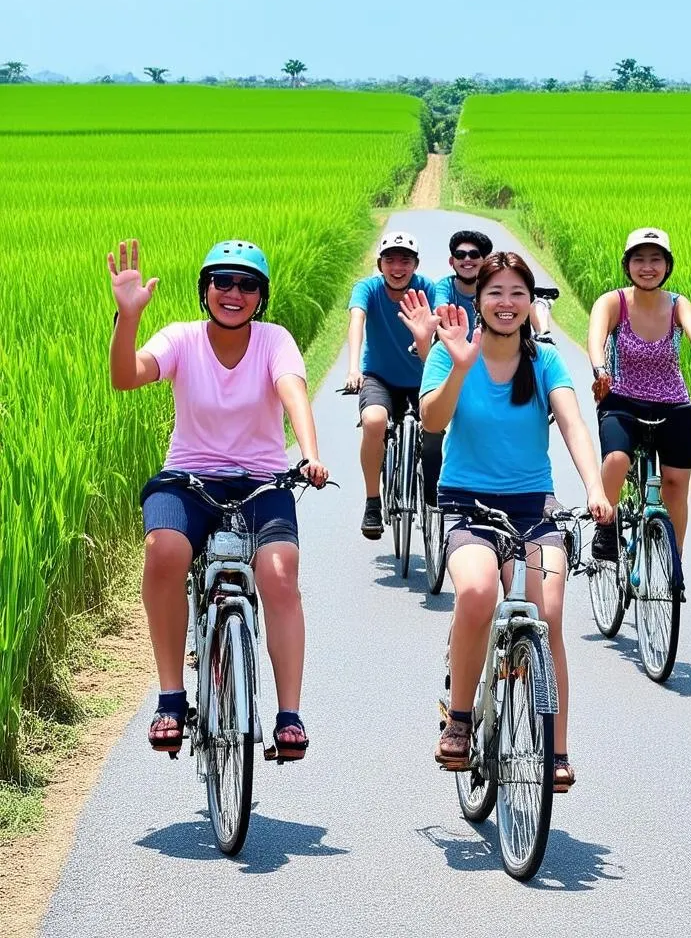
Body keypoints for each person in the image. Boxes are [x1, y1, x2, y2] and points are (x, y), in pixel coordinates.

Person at [108, 238, 328, 759]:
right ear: (205, 290)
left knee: (279, 573)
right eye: (222, 282)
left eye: (247, 284)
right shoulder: (182, 339)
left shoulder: (275, 341)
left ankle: (289, 715)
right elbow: (125, 377)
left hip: (261, 481)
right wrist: (128, 318)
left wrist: (312, 454)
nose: (234, 293)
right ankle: (170, 697)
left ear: (261, 296)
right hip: (188, 478)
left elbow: (293, 390)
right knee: (164, 551)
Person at [411, 251, 613, 793]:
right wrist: (457, 363)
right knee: (476, 591)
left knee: (549, 614)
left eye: (517, 293)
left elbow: (572, 423)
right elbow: (433, 421)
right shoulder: (451, 353)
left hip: (532, 508)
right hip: (466, 503)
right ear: (477, 299)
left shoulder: (545, 360)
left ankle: (555, 751)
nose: (506, 303)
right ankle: (459, 719)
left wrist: (594, 487)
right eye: (495, 292)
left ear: (530, 303)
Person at [587, 227, 691, 565]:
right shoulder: (613, 303)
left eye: (656, 260)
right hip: (621, 398)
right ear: (628, 266)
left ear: (667, 266)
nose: (647, 267)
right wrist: (600, 371)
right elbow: (595, 338)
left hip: (673, 401)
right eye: (639, 259)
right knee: (618, 460)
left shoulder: (679, 305)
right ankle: (605, 525)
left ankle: (674, 562)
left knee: (676, 481)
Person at [345, 230, 441, 533]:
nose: (397, 268)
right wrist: (353, 369)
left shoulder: (427, 288)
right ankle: (373, 502)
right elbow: (356, 321)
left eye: (405, 261)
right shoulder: (367, 289)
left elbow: (439, 320)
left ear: (416, 264)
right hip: (379, 377)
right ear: (379, 264)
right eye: (390, 260)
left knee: (436, 429)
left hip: (422, 376)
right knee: (373, 422)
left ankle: (432, 494)